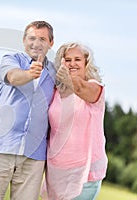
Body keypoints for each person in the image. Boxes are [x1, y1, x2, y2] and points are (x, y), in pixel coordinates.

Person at [0, 21, 56, 200]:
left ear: (51, 43)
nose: (36, 43)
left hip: (33, 156)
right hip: (1, 148)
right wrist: (30, 73)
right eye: (32, 38)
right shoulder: (11, 59)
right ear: (24, 40)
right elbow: (13, 77)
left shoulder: (54, 71)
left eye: (42, 39)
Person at [41, 42, 108, 200]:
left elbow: (79, 88)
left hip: (85, 173)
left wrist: (68, 78)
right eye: (67, 59)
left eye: (77, 59)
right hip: (56, 172)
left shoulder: (94, 88)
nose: (72, 63)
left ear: (86, 63)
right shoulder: (56, 92)